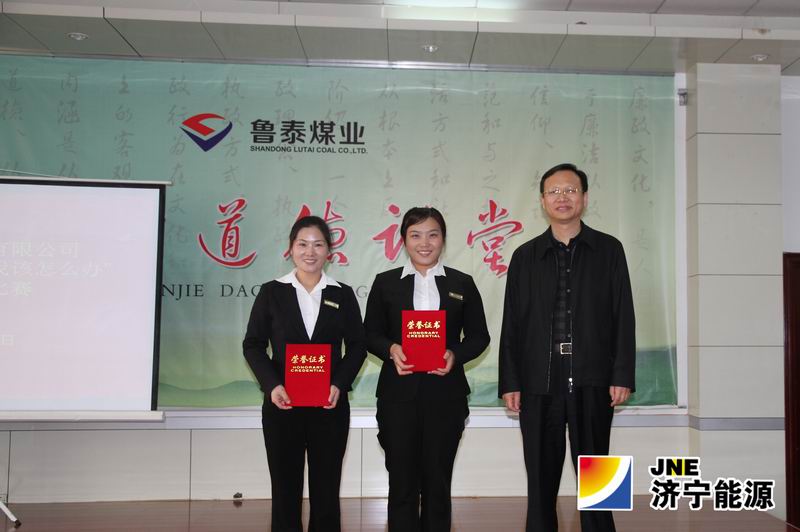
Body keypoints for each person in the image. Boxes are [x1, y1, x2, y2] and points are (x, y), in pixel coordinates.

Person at [499, 163, 636, 532]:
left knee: (599, 470)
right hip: (538, 380)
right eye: (554, 191)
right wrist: (511, 381)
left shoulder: (609, 249)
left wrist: (622, 373)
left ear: (585, 198)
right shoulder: (525, 256)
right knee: (540, 476)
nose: (563, 197)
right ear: (543, 201)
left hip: (594, 376)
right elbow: (512, 324)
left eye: (571, 190)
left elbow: (623, 314)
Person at [364, 206, 490, 532]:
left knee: (438, 479)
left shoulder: (462, 283)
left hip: (445, 395)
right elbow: (370, 333)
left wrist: (455, 355)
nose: (425, 243)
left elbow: (479, 336)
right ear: (404, 240)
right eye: (415, 235)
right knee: (401, 480)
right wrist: (391, 349)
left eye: (432, 235)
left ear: (443, 239)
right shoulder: (386, 283)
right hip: (398, 396)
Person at [243, 215, 366, 532]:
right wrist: (272, 385)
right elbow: (253, 345)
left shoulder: (342, 294)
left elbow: (357, 346)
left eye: (318, 245)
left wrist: (339, 384)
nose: (310, 252)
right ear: (290, 249)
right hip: (283, 405)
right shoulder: (272, 292)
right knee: (285, 490)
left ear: (330, 252)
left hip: (329, 405)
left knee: (327, 490)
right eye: (303, 244)